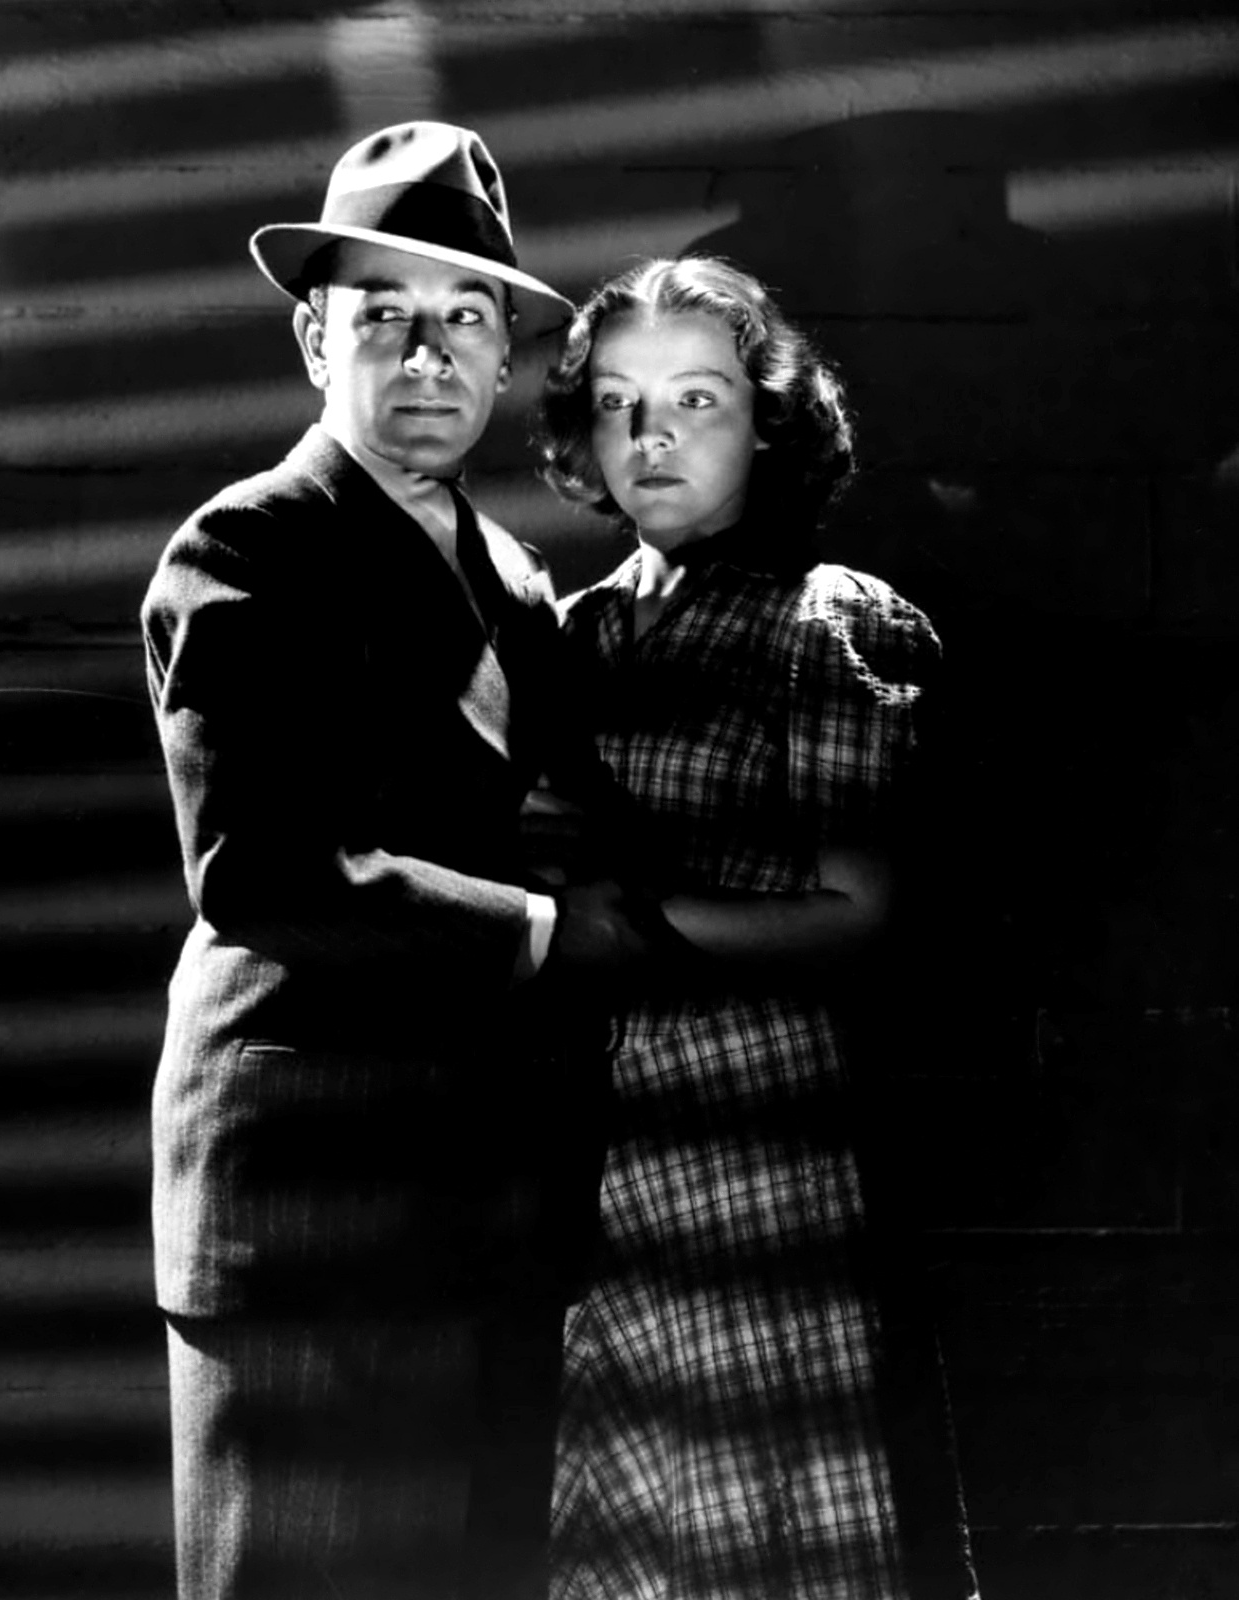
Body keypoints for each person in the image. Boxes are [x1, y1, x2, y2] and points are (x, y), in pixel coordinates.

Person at [140, 122, 655, 1600]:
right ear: (316, 341)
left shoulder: (514, 578)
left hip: (490, 1211)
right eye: (384, 317)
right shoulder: (249, 548)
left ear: (504, 360)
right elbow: (264, 870)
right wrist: (543, 929)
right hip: (311, 1213)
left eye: (465, 319)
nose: (427, 358)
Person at [530, 256, 981, 1599]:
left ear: (769, 426)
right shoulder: (572, 632)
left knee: (752, 1534)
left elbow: (859, 911)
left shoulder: (818, 624)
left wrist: (635, 923)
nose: (649, 435)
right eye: (617, 403)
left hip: (756, 1132)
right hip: (597, 1138)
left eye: (696, 400)